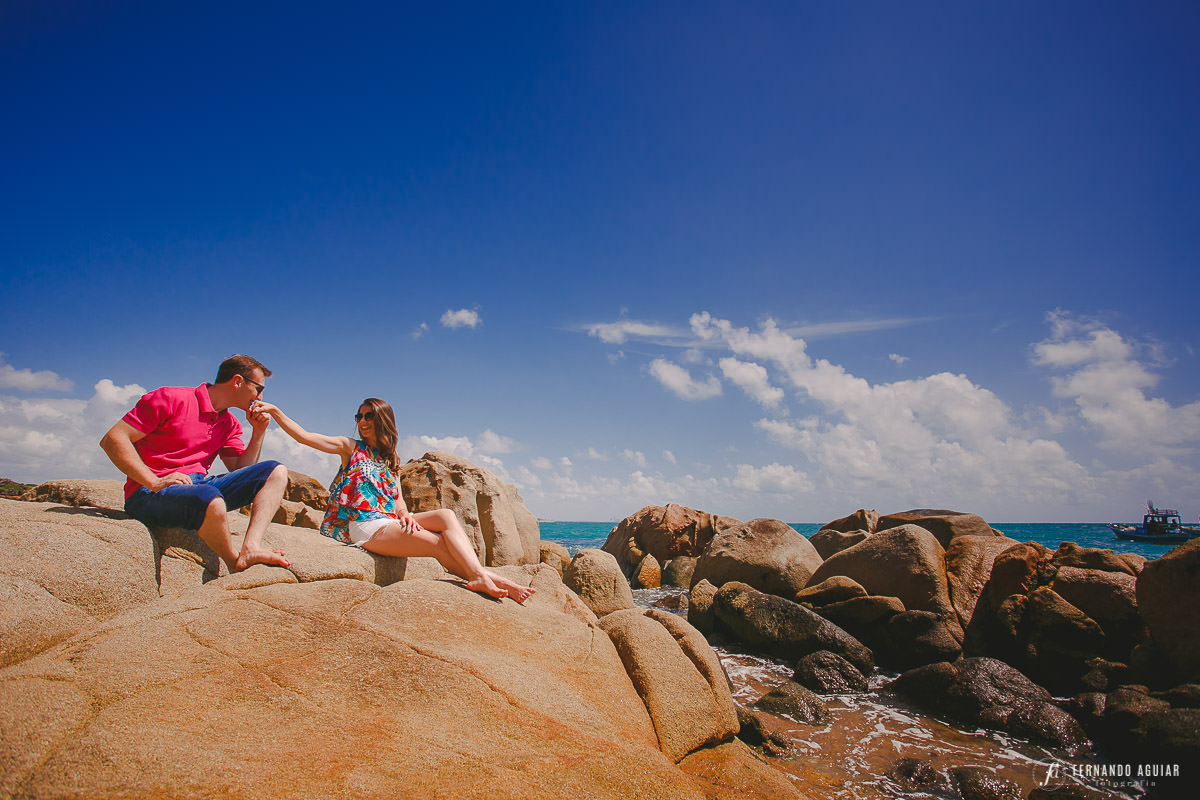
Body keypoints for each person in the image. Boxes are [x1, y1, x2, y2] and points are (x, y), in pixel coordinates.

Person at [253, 397, 535, 603]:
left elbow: (398, 501)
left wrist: (406, 515)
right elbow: (304, 437)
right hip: (365, 526)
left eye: (368, 416)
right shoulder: (350, 448)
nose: (361, 422)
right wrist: (276, 411)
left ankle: (481, 576)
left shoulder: (391, 461)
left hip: (389, 522)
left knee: (447, 516)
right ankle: (487, 578)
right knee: (438, 544)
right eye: (359, 416)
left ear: (382, 420)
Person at [100, 355, 290, 573]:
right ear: (238, 382)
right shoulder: (170, 398)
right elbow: (113, 439)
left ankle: (251, 548)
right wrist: (154, 481)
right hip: (148, 493)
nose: (260, 397)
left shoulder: (229, 423)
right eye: (258, 388)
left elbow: (239, 469)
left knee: (276, 471)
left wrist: (258, 433)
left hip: (196, 487)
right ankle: (234, 561)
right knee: (212, 500)